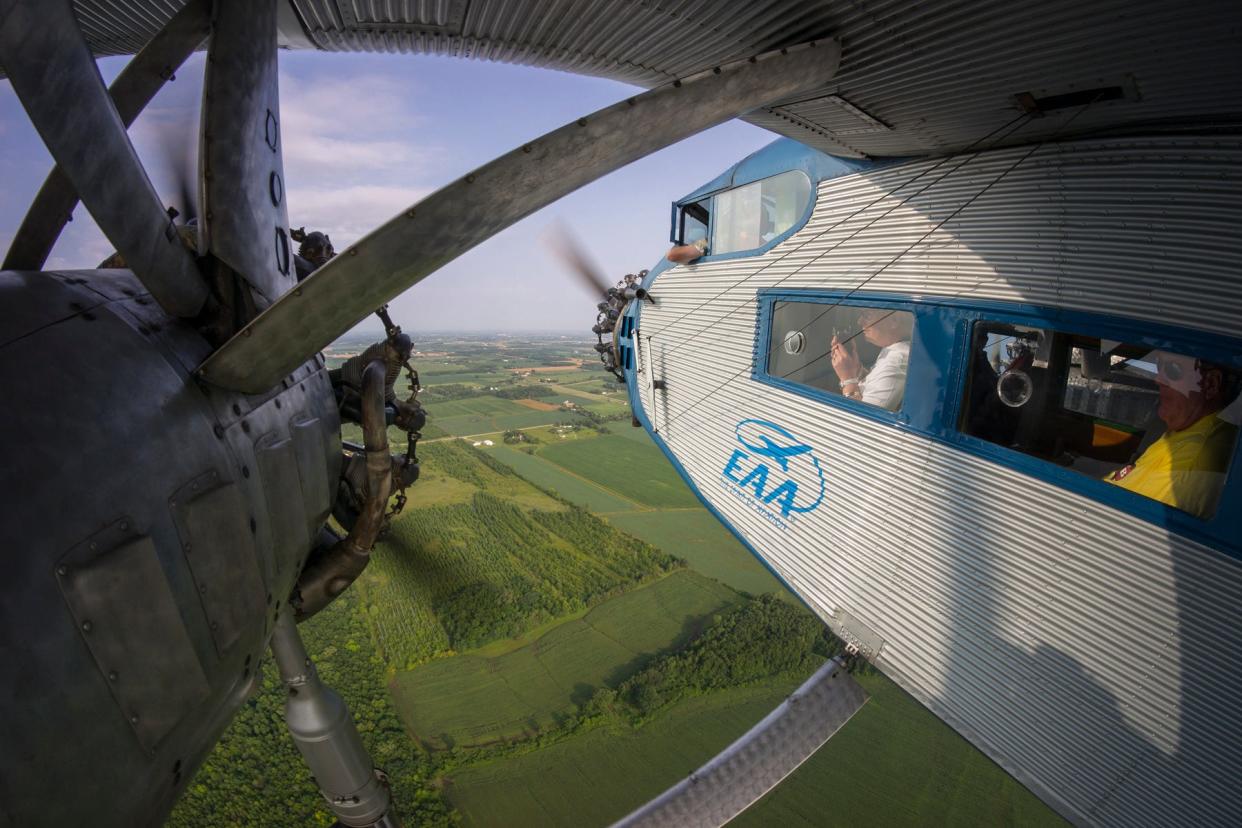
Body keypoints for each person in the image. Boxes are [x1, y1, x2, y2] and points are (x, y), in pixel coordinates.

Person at [1104, 352, 1238, 519]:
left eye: (1173, 370)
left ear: (1211, 384)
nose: (1158, 379)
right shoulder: (1188, 427)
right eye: (1159, 365)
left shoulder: (1193, 465)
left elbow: (1117, 520)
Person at [334, 333, 423, 430]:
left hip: (342, 388)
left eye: (412, 413)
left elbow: (400, 342)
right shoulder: (386, 397)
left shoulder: (386, 411)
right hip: (345, 383)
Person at [830, 308, 913, 411]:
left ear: (894, 320)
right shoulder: (895, 349)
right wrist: (857, 369)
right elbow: (875, 383)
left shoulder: (896, 362)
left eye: (867, 315)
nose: (859, 321)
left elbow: (860, 420)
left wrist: (847, 379)